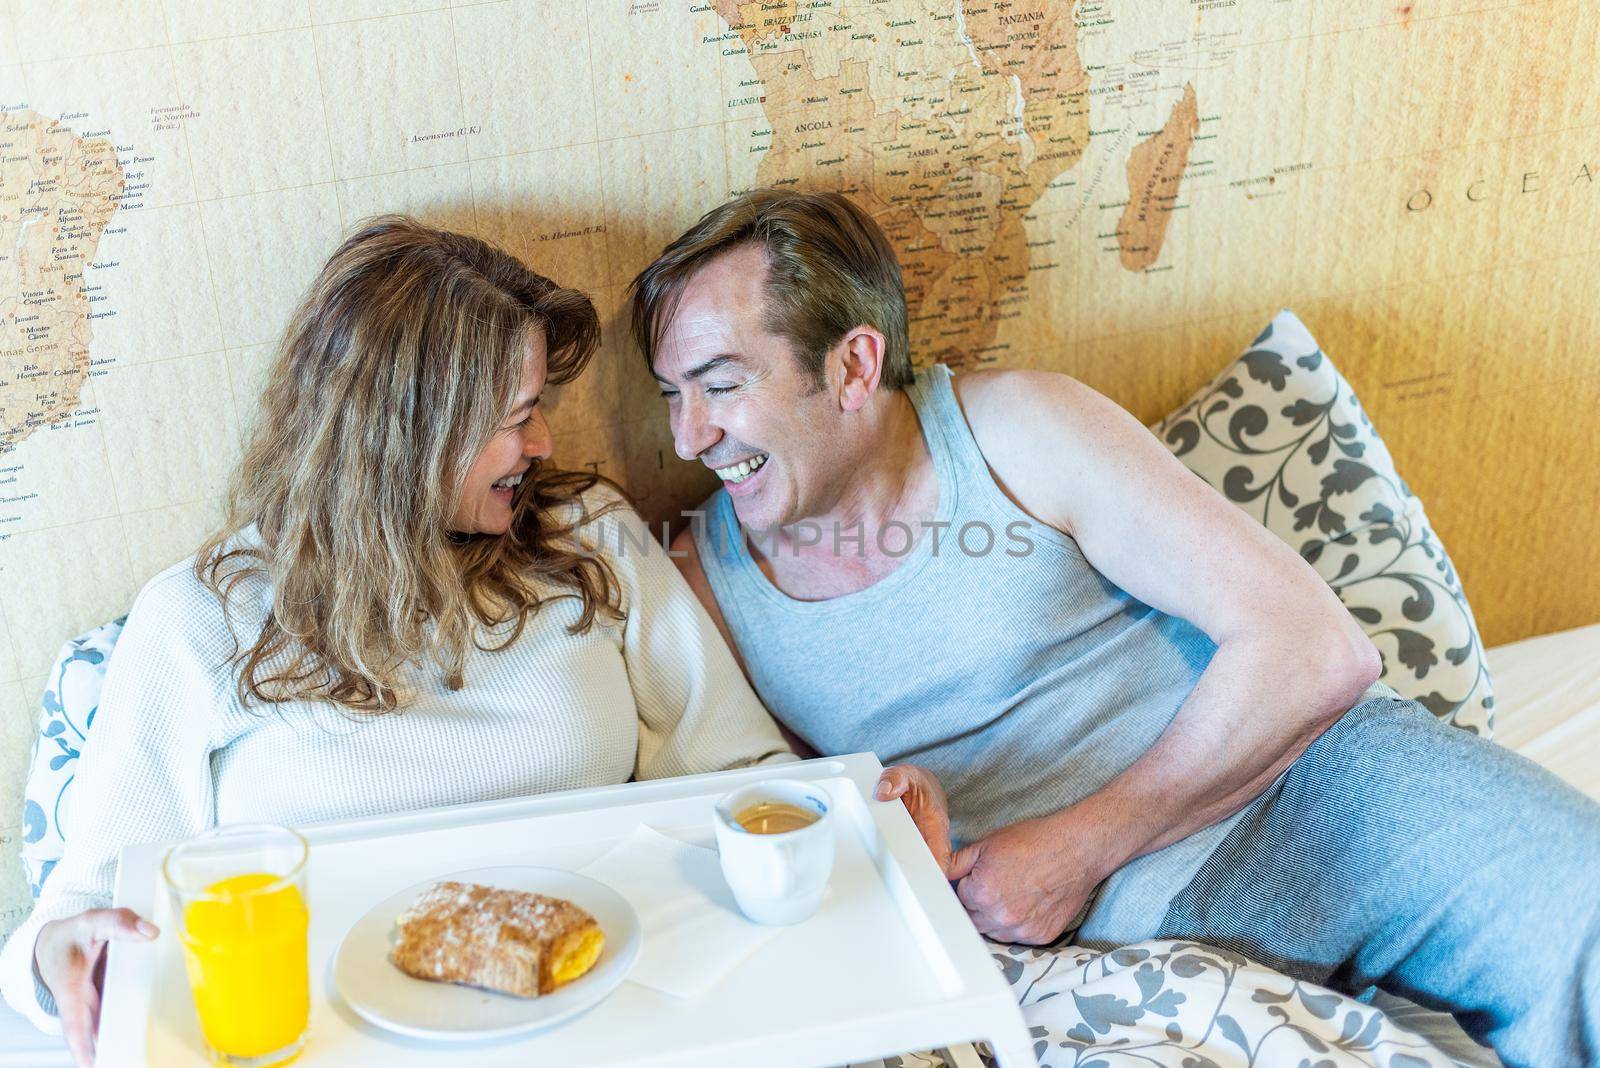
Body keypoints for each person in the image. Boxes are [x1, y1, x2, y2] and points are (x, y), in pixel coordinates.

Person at [630, 188, 1600, 1067]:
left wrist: (1079, 846)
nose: (687, 437)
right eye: (672, 394)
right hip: (1112, 941)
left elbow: (1314, 649)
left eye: (720, 385)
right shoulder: (700, 573)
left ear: (852, 364)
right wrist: (896, 813)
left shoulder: (1017, 427)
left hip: (1319, 789)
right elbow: (798, 808)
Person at [0, 215, 792, 1066]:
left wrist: (868, 820)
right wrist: (57, 961)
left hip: (610, 1018)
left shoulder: (591, 536)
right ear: (406, 436)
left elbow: (745, 779)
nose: (543, 445)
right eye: (516, 417)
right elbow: (78, 910)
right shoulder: (202, 615)